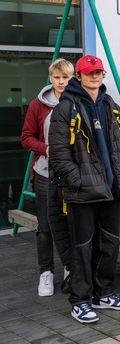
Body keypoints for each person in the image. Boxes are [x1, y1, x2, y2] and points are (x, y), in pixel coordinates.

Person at [49, 55, 120, 323]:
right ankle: (80, 300)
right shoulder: (66, 108)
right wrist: (79, 181)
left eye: (98, 72)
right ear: (79, 76)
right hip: (83, 192)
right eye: (89, 73)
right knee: (82, 248)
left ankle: (103, 293)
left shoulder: (110, 104)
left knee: (109, 244)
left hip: (111, 190)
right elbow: (59, 155)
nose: (95, 76)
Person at [21, 58, 74, 296]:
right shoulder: (38, 105)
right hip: (44, 173)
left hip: (71, 173)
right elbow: (26, 138)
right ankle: (46, 272)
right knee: (45, 227)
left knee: (72, 224)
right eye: (57, 77)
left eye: (66, 77)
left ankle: (70, 268)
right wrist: (46, 149)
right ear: (51, 78)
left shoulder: (78, 102)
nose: (61, 82)